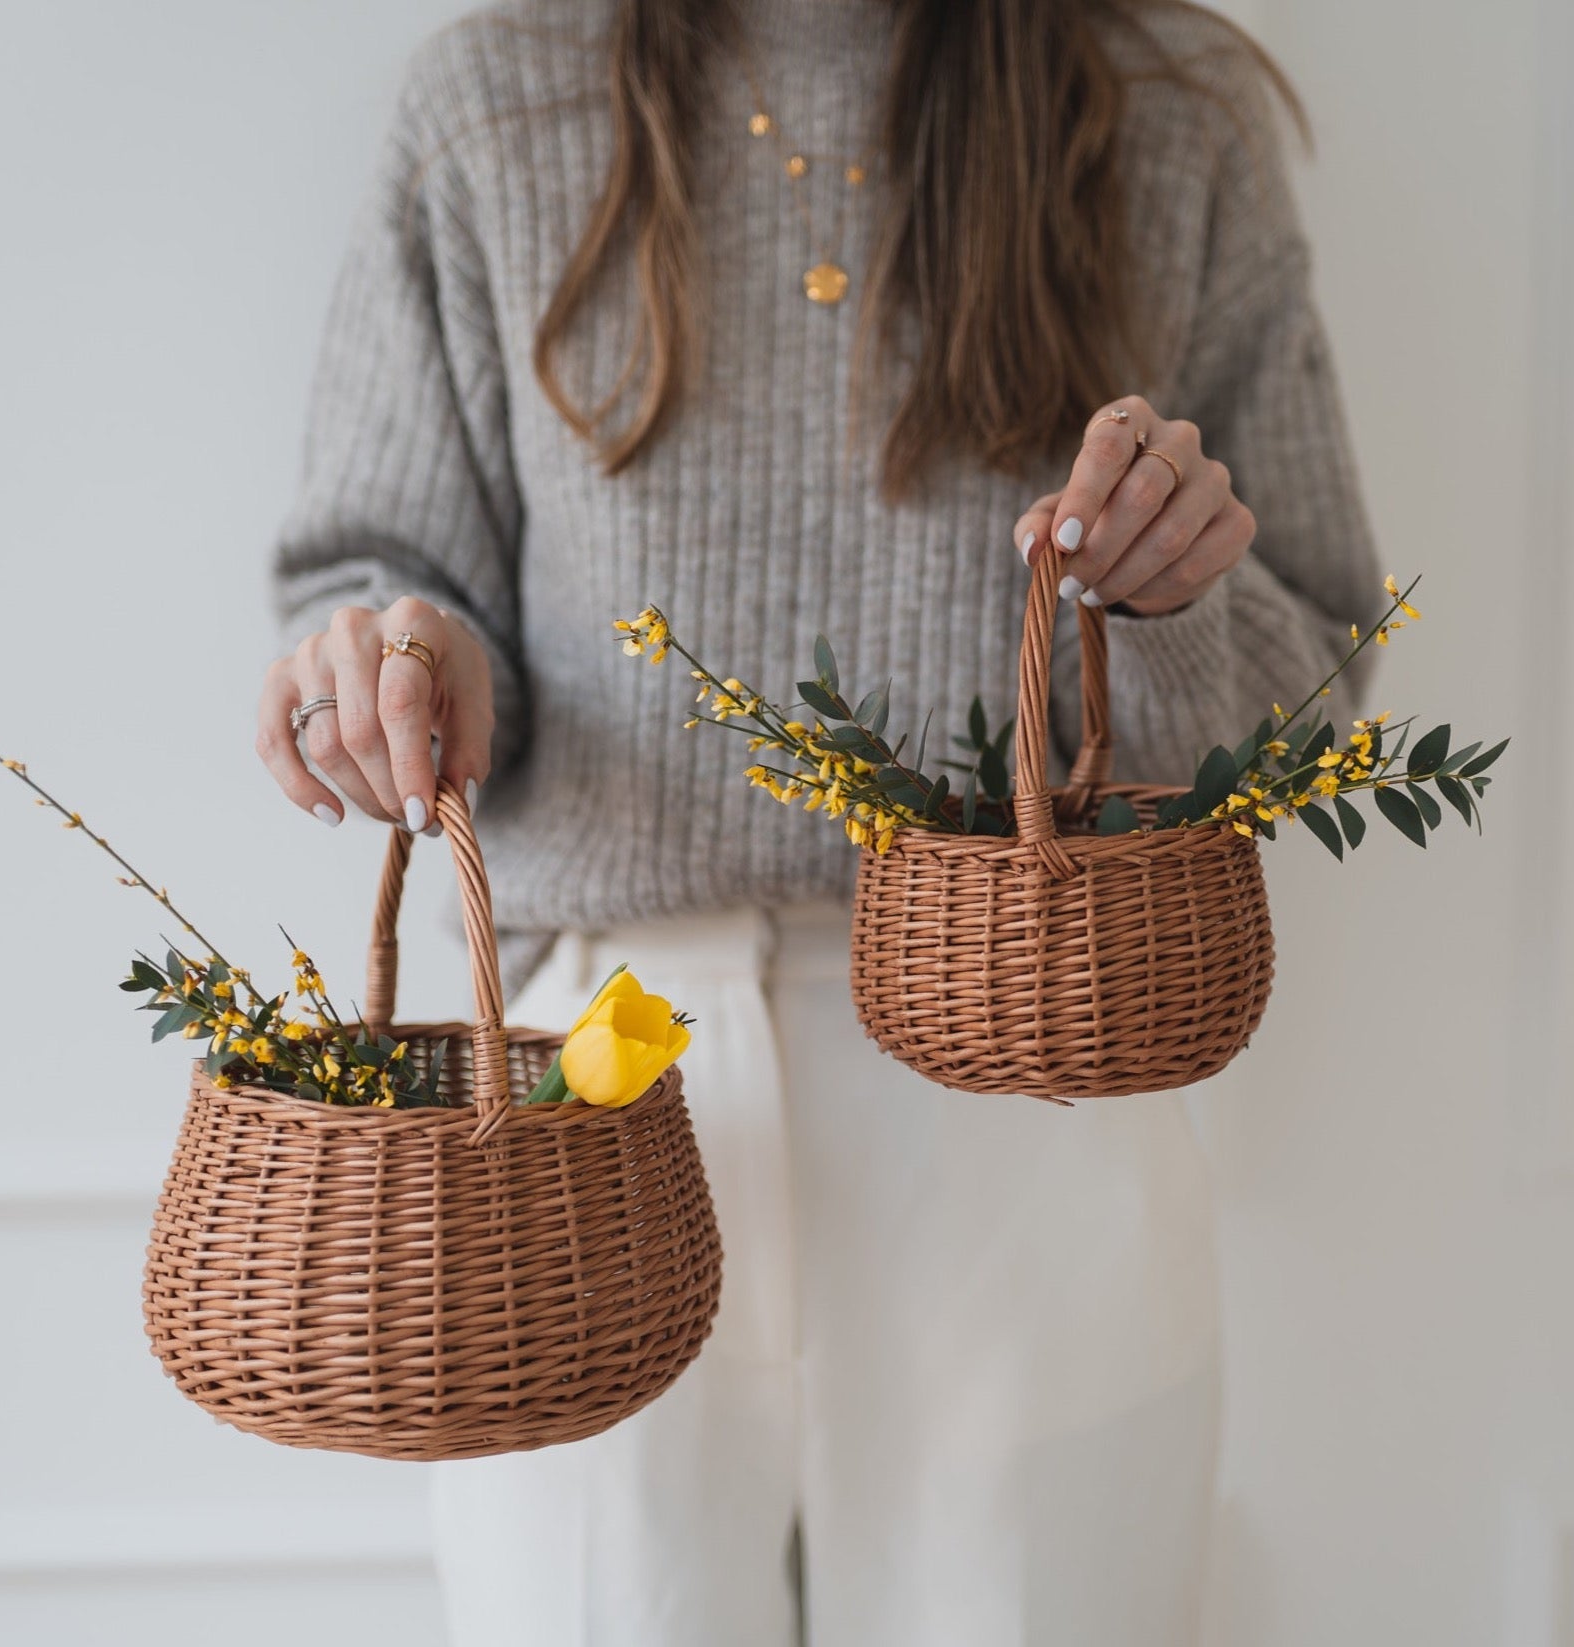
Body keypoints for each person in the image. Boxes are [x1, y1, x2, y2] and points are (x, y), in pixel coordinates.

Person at [256, 1, 1381, 1641]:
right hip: (592, 1093)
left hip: (1029, 1081)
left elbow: (1321, 686)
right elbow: (379, 573)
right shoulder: (498, 103)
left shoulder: (1162, 110)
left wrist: (1169, 609)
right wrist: (403, 669)